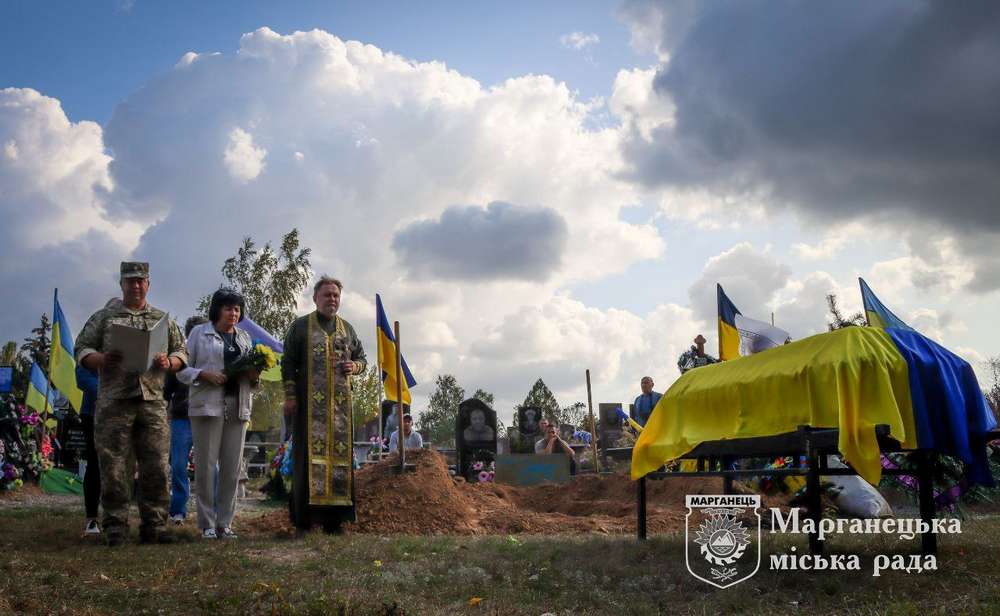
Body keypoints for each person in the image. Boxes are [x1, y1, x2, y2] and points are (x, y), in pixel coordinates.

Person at [74, 262, 188, 546]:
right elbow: (81, 348)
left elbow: (182, 351)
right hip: (115, 401)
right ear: (121, 285)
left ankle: (155, 525)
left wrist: (169, 362)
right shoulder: (104, 318)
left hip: (152, 401)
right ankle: (115, 526)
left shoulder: (163, 319)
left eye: (141, 281)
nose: (136, 286)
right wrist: (99, 359)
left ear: (148, 284)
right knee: (114, 466)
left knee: (157, 466)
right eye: (130, 281)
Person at [282, 276, 367, 533]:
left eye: (336, 296)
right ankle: (304, 523)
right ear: (315, 298)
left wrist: (356, 366)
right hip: (309, 409)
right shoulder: (300, 327)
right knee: (306, 460)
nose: (332, 299)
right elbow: (287, 363)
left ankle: (335, 522)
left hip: (340, 410)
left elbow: (362, 358)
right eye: (327, 295)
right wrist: (290, 396)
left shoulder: (348, 329)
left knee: (339, 461)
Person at [178, 289, 258, 540]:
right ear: (217, 310)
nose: (233, 313)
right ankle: (207, 523)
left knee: (232, 468)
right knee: (206, 466)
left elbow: (251, 379)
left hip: (238, 406)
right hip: (207, 406)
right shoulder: (198, 334)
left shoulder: (244, 338)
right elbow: (181, 370)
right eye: (228, 308)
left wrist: (254, 376)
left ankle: (225, 522)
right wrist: (203, 374)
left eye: (237, 309)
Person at [164, 315, 209, 525]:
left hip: (207, 417)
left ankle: (211, 511)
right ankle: (178, 510)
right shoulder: (179, 360)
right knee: (179, 465)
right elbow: (167, 390)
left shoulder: (213, 358)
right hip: (182, 418)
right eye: (194, 333)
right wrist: (165, 411)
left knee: (210, 466)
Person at [76, 363, 101, 536]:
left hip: (124, 414)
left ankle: (117, 518)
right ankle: (92, 519)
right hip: (93, 413)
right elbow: (82, 378)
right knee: (95, 464)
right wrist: (113, 392)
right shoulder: (92, 339)